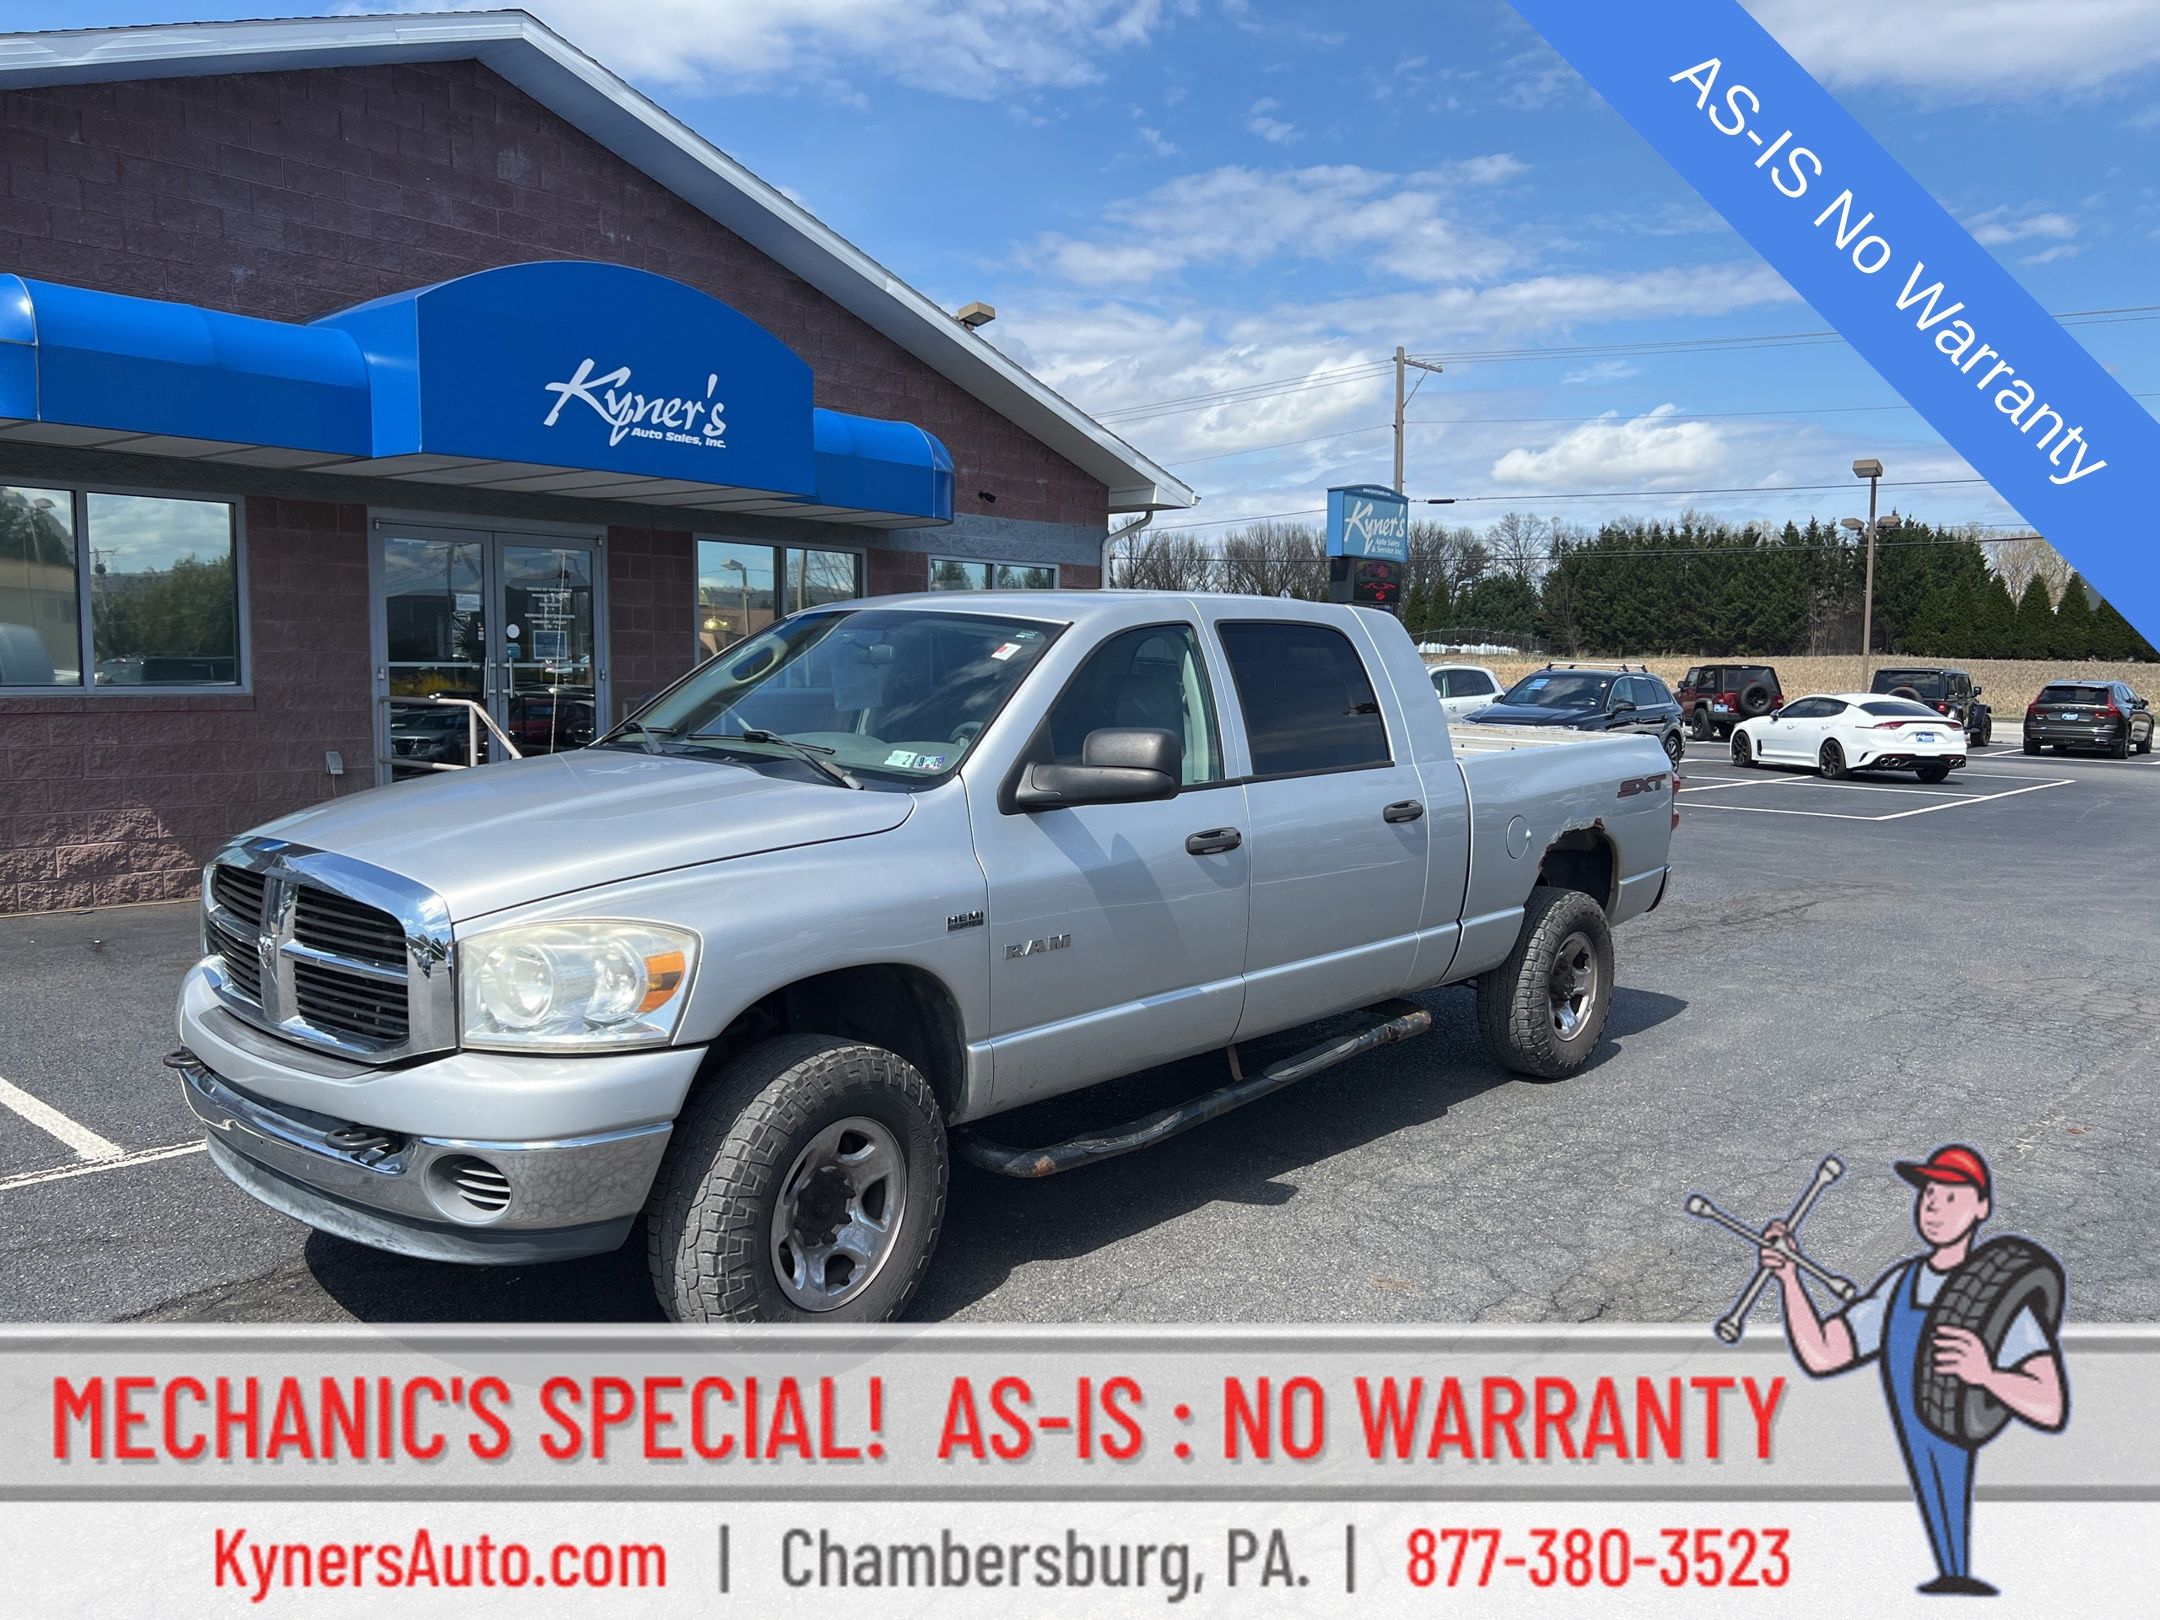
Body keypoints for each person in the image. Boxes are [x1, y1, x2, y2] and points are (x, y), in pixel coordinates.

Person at [1761, 1144, 2066, 1597]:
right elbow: (1824, 1354)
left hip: (1975, 1437)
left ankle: (1961, 1571)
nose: (1933, 1208)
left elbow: (2050, 1405)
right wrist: (1789, 1279)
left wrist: (1986, 1375)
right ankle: (1950, 1570)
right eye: (1928, 1195)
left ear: (1981, 1207)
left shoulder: (2007, 1303)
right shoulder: (1898, 1286)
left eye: (1950, 1197)